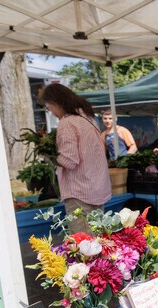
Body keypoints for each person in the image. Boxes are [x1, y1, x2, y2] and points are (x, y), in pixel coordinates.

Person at [39, 83, 111, 234]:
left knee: (83, 244)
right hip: (96, 188)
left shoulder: (67, 123)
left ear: (56, 104)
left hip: (80, 192)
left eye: (49, 107)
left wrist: (48, 156)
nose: (51, 112)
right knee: (97, 240)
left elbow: (69, 161)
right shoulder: (87, 119)